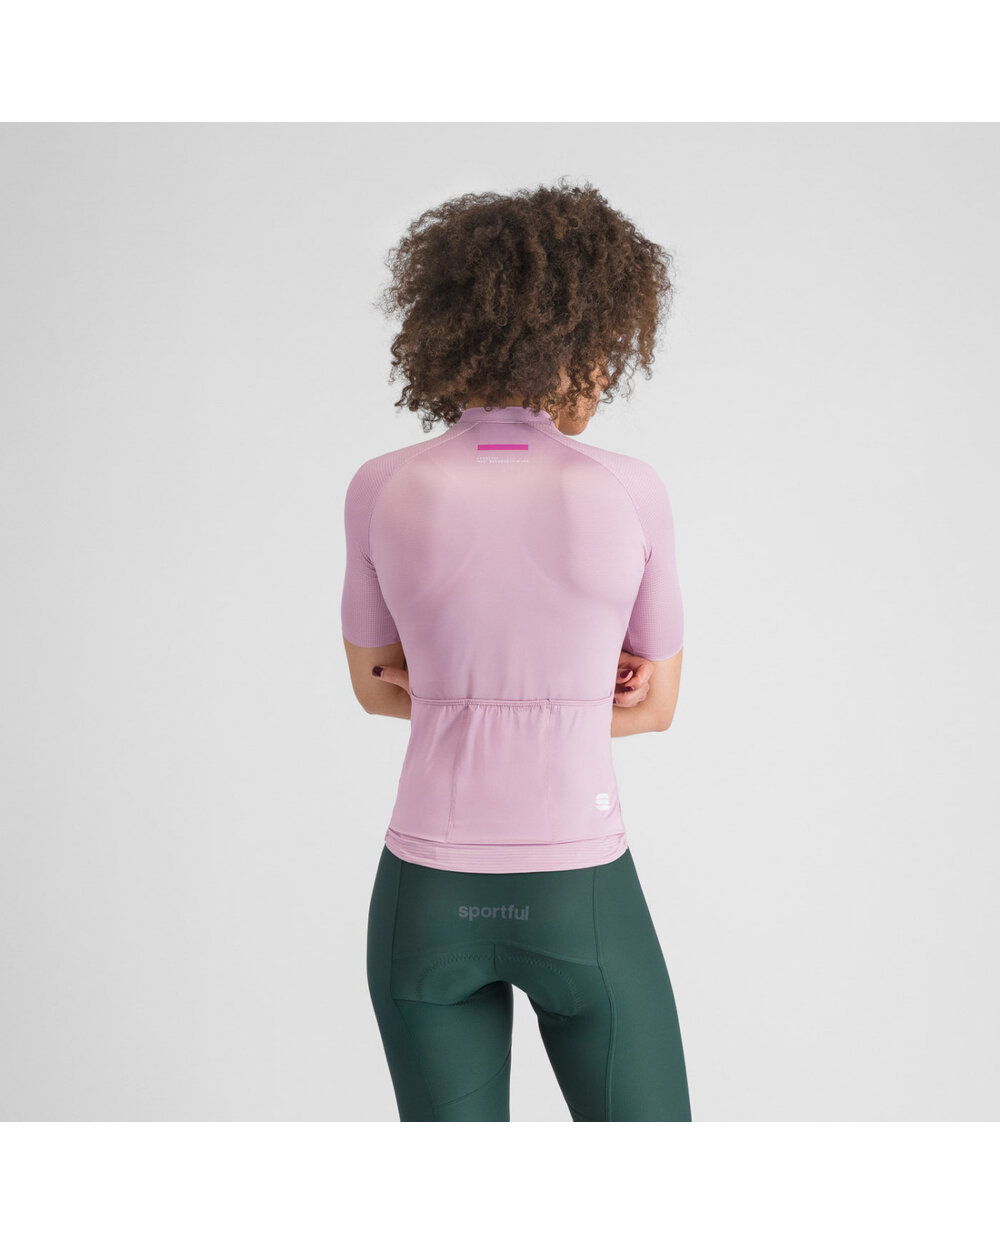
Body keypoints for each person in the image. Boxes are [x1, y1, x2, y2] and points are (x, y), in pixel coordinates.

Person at [341, 179, 691, 1121]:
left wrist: (453, 690)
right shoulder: (628, 489)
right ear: (573, 339)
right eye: (601, 351)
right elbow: (655, 706)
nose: (605, 375)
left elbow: (374, 687)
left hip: (425, 896)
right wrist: (568, 694)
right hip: (580, 894)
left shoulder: (381, 486)